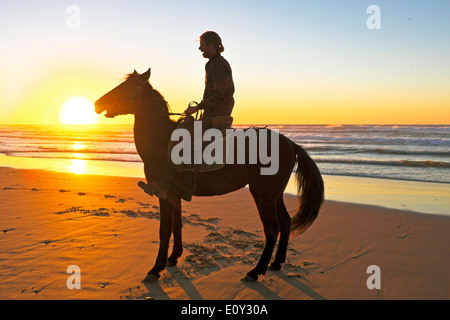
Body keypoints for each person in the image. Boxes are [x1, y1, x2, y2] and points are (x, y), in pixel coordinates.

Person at [139, 31, 235, 201]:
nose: (200, 48)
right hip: (210, 112)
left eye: (203, 45)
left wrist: (200, 106)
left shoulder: (219, 64)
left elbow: (221, 93)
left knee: (179, 138)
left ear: (212, 44)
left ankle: (172, 185)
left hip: (217, 114)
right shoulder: (212, 64)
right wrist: (201, 107)